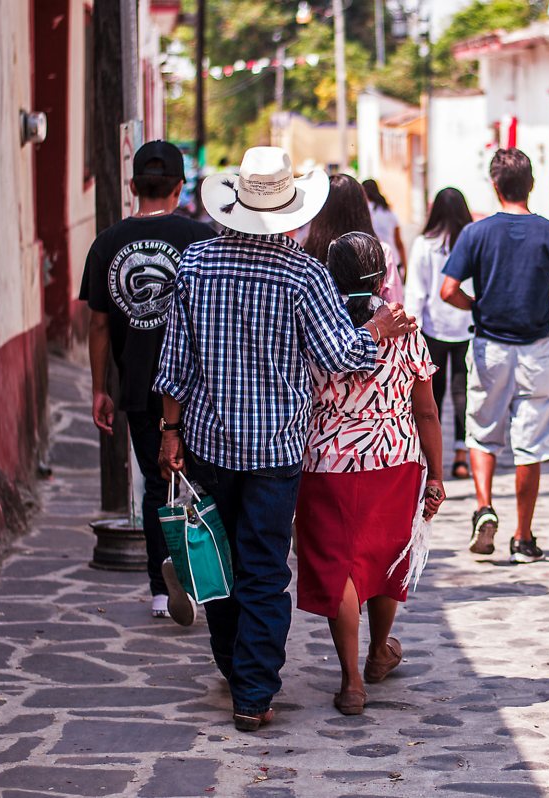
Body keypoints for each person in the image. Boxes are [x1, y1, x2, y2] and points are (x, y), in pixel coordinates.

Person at [154, 147, 416, 732]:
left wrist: (170, 432)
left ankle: (234, 666)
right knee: (266, 569)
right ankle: (253, 692)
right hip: (276, 450)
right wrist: (376, 328)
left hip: (209, 443)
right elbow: (342, 357)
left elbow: (177, 364)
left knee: (220, 560)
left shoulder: (195, 265)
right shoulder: (304, 274)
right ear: (289, 211)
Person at [296, 232, 445, 716]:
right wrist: (438, 473)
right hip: (394, 457)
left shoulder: (318, 325)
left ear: (328, 274)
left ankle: (352, 680)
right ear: (383, 275)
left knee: (340, 565)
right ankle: (379, 650)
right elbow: (426, 412)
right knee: (386, 557)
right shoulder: (404, 329)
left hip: (328, 460)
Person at [79, 140, 216, 623]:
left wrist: (102, 388)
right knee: (202, 483)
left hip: (139, 386)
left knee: (157, 488)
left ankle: (161, 589)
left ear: (133, 186)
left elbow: (97, 324)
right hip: (197, 388)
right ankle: (205, 580)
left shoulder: (106, 242)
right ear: (181, 187)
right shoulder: (200, 238)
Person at [440, 148, 549, 564]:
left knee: (482, 432)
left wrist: (477, 306)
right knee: (531, 444)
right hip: (537, 351)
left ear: (495, 185)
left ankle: (484, 506)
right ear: (531, 185)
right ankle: (523, 537)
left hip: (490, 348)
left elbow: (447, 290)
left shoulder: (476, 234)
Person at [404, 187, 475, 480]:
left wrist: (412, 332)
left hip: (433, 331)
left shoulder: (424, 244)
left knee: (433, 397)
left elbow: (416, 292)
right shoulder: (471, 242)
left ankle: (433, 458)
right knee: (463, 393)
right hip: (468, 327)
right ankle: (461, 455)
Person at [304, 175, 404, 303]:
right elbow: (395, 307)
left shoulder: (308, 253)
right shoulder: (381, 252)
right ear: (362, 208)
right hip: (377, 322)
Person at [363, 178, 407, 278]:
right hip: (394, 262)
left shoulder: (364, 213)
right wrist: (405, 266)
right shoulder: (389, 213)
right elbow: (399, 242)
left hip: (375, 266)